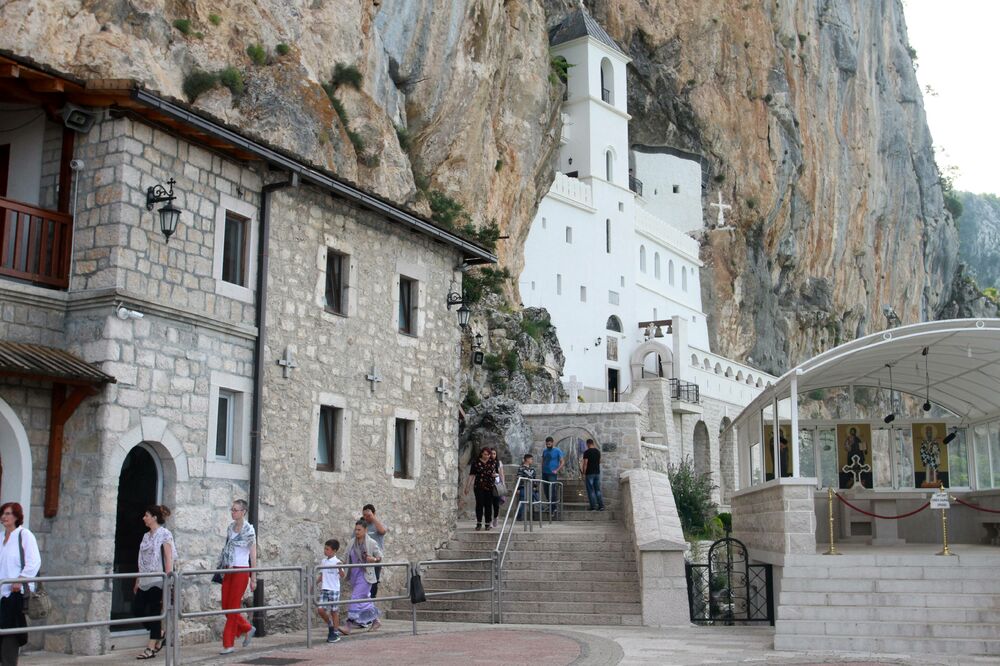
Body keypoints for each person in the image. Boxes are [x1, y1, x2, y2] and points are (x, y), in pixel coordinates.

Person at [134, 505, 176, 660]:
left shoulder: (165, 534)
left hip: (158, 579)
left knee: (154, 612)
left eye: (146, 515)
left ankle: (150, 648)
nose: (144, 518)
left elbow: (168, 557)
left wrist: (168, 580)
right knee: (137, 610)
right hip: (145, 579)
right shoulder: (146, 536)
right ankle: (159, 633)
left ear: (154, 518)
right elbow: (142, 560)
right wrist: (137, 579)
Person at [0, 503, 39, 666]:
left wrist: (20, 579)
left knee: (10, 631)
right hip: (2, 591)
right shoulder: (1, 537)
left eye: (8, 513)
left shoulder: (24, 534)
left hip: (14, 591)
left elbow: (34, 561)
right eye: (2, 513)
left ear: (17, 516)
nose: (4, 517)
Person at [217, 499, 257, 655]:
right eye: (232, 509)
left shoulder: (249, 531)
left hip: (241, 570)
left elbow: (253, 555)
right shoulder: (230, 528)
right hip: (228, 569)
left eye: (235, 510)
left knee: (233, 607)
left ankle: (228, 644)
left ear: (243, 512)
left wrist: (253, 578)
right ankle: (247, 628)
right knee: (225, 607)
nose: (233, 512)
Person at [344, 520, 382, 631]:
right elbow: (345, 556)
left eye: (359, 530)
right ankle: (376, 621)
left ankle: (348, 625)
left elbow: (380, 557)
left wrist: (373, 559)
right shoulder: (351, 542)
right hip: (354, 575)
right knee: (364, 599)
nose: (357, 532)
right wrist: (340, 564)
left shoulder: (371, 543)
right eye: (355, 529)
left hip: (366, 575)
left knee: (355, 597)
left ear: (365, 530)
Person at [316, 539, 347, 643]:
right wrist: (314, 583)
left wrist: (339, 568)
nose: (325, 551)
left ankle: (336, 632)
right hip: (325, 588)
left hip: (334, 589)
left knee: (334, 611)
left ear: (334, 551)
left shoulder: (337, 562)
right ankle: (330, 625)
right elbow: (321, 575)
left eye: (327, 549)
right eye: (325, 548)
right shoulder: (324, 561)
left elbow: (343, 576)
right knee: (320, 609)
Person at [464, 448, 495, 531]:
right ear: (481, 454)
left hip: (490, 486)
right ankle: (479, 523)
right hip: (479, 486)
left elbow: (497, 472)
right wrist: (467, 487)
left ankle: (488, 523)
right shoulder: (476, 463)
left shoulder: (492, 462)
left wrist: (495, 475)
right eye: (485, 454)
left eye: (488, 455)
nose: (487, 456)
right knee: (479, 504)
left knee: (488, 505)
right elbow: (471, 475)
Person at [361, 505, 387, 598]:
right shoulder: (362, 525)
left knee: (373, 584)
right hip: (364, 560)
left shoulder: (378, 524)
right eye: (364, 515)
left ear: (374, 514)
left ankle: (371, 604)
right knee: (363, 584)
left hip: (376, 560)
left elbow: (383, 531)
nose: (366, 517)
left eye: (368, 515)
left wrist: (373, 518)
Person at [541, 436, 564, 516]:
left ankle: (553, 508)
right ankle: (550, 505)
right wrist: (542, 469)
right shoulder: (544, 451)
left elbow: (562, 462)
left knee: (552, 490)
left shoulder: (557, 450)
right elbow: (543, 460)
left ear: (552, 442)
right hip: (544, 473)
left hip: (552, 474)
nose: (548, 445)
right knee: (546, 490)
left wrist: (557, 470)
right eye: (547, 444)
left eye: (549, 443)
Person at [581, 439, 605, 511]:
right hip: (597, 473)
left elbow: (585, 463)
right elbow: (600, 461)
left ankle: (593, 507)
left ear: (587, 444)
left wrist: (583, 472)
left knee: (591, 490)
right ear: (593, 443)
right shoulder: (598, 451)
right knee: (597, 490)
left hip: (589, 473)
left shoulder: (587, 452)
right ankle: (601, 506)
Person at [516, 454, 538, 521]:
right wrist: (518, 488)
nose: (532, 460)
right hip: (523, 487)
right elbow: (519, 479)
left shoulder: (532, 469)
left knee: (532, 502)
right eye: (531, 459)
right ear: (527, 459)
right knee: (522, 502)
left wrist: (535, 487)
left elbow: (534, 478)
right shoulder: (521, 468)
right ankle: (519, 517)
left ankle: (532, 517)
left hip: (531, 488)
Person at [489, 448, 505, 528]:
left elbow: (502, 474)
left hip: (497, 485)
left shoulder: (499, 463)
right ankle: (490, 521)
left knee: (496, 504)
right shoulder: (487, 462)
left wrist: (503, 484)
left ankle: (495, 518)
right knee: (488, 504)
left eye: (494, 454)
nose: (492, 455)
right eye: (491, 453)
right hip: (488, 485)